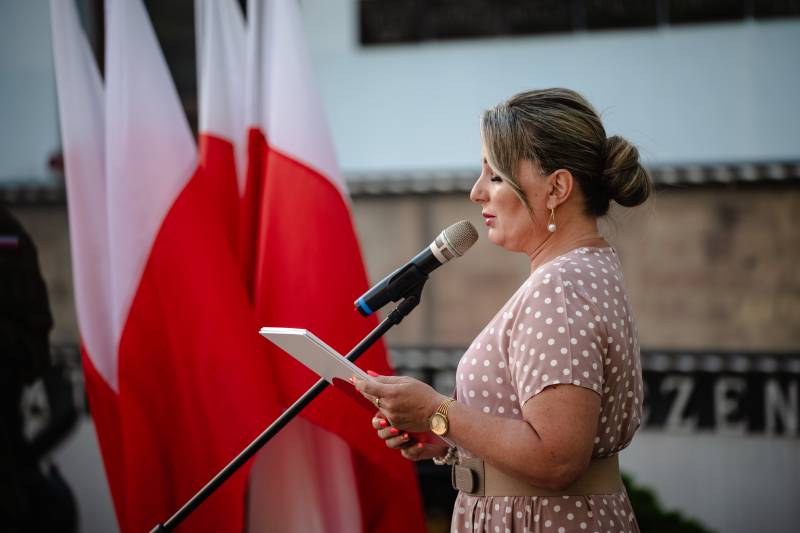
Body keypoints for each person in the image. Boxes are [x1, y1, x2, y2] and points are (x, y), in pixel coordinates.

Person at [354, 88, 652, 532]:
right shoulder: (585, 269)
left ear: (557, 188)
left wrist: (437, 411)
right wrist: (446, 439)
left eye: (495, 176)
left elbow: (556, 457)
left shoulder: (559, 288)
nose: (476, 193)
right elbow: (539, 438)